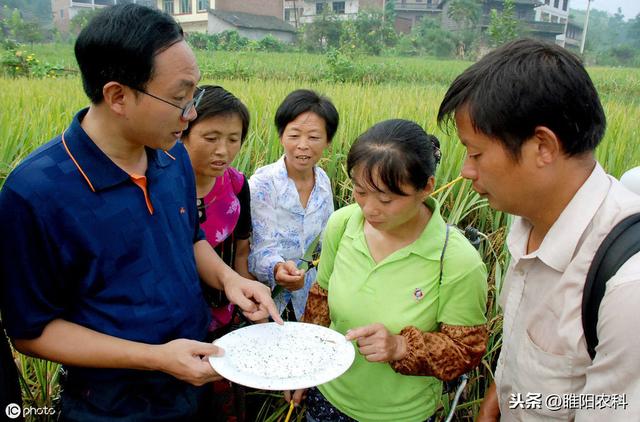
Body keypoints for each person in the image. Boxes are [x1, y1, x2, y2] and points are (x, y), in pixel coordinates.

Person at [0, 5, 281, 421]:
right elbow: (32, 332)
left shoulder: (173, 159)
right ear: (118, 96)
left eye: (194, 95)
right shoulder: (36, 192)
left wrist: (230, 278)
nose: (190, 115)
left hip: (195, 380)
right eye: (179, 98)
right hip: (111, 407)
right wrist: (156, 358)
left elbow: (188, 238)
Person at [437, 38, 640, 421]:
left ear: (543, 146)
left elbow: (609, 407)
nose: (466, 171)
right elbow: (524, 346)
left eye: (476, 153)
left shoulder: (627, 289)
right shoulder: (528, 218)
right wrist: (502, 394)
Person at [297, 119, 488, 422]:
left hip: (402, 415)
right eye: (360, 191)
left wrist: (401, 346)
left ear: (426, 187)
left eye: (386, 199)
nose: (370, 209)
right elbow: (320, 300)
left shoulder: (455, 260)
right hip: (328, 398)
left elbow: (466, 350)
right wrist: (305, 368)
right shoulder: (343, 224)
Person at [181, 85, 255, 421]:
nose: (222, 151)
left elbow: (240, 254)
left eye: (233, 139)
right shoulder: (160, 185)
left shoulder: (237, 185)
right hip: (174, 324)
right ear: (183, 131)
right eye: (210, 138)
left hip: (223, 317)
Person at [248, 89, 338, 321]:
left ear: (328, 141)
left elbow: (328, 242)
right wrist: (278, 269)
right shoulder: (263, 183)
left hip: (313, 300)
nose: (303, 145)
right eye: (294, 135)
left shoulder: (324, 183)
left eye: (314, 137)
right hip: (270, 302)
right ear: (281, 136)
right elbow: (259, 247)